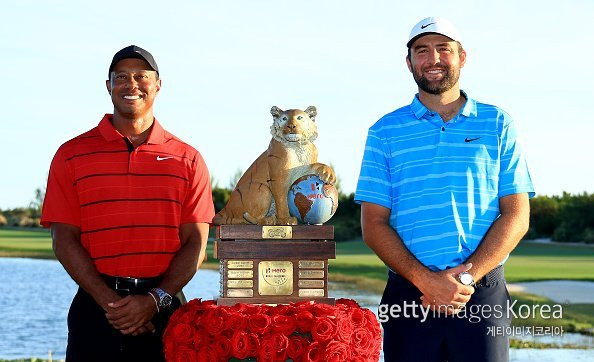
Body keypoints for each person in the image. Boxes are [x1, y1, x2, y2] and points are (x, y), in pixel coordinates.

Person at [355, 17, 534, 362]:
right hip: (409, 294)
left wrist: (465, 276)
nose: (433, 58)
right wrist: (427, 281)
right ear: (409, 63)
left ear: (462, 57)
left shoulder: (498, 123)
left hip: (480, 292)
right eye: (422, 50)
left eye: (443, 49)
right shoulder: (384, 131)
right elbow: (373, 224)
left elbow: (517, 213)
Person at [41, 45, 215, 361]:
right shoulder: (70, 154)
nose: (130, 84)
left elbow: (196, 243)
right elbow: (63, 238)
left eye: (140, 76)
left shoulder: (188, 159)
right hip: (95, 309)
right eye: (120, 77)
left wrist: (153, 300)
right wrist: (110, 303)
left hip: (164, 311)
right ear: (108, 86)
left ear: (158, 85)